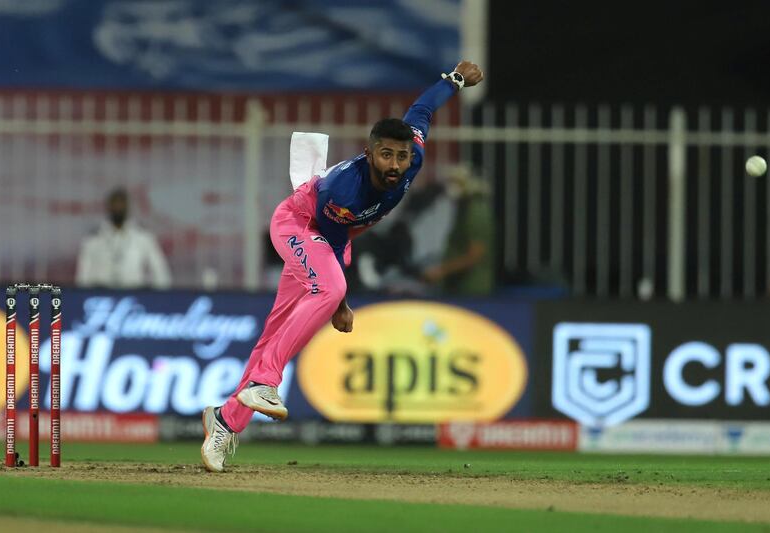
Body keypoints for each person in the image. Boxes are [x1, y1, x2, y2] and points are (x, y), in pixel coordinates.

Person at [201, 60, 484, 472]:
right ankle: (264, 383)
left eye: (401, 157)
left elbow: (421, 111)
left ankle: (224, 421)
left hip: (328, 238)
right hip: (298, 224)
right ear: (370, 153)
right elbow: (331, 244)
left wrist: (455, 80)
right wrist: (339, 302)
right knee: (329, 290)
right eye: (385, 155)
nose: (394, 165)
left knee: (276, 333)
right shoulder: (344, 189)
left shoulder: (412, 157)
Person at [75, 187, 172, 289]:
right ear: (108, 207)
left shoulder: (144, 237)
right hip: (101, 295)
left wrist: (159, 298)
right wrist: (83, 296)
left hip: (135, 294)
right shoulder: (93, 239)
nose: (118, 207)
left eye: (121, 203)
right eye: (114, 203)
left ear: (128, 206)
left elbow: (160, 272)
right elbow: (83, 275)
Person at [422, 165, 494, 295]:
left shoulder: (476, 212)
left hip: (473, 289)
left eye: (456, 182)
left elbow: (475, 254)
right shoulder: (464, 209)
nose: (451, 187)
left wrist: (441, 271)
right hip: (459, 286)